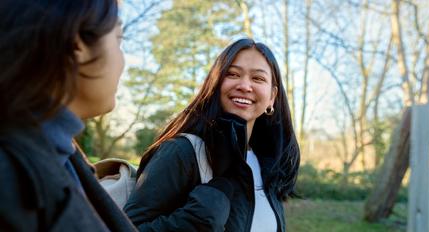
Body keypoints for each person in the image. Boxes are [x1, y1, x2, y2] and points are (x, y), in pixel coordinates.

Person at [124, 38, 300, 232]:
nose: (244, 85)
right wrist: (200, 217)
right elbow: (127, 227)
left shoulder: (269, 166)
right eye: (232, 74)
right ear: (215, 84)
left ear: (272, 97)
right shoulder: (182, 152)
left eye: (258, 78)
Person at [0, 0, 137, 231]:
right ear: (77, 43)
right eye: (118, 39)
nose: (123, 63)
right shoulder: (12, 175)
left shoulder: (61, 152)